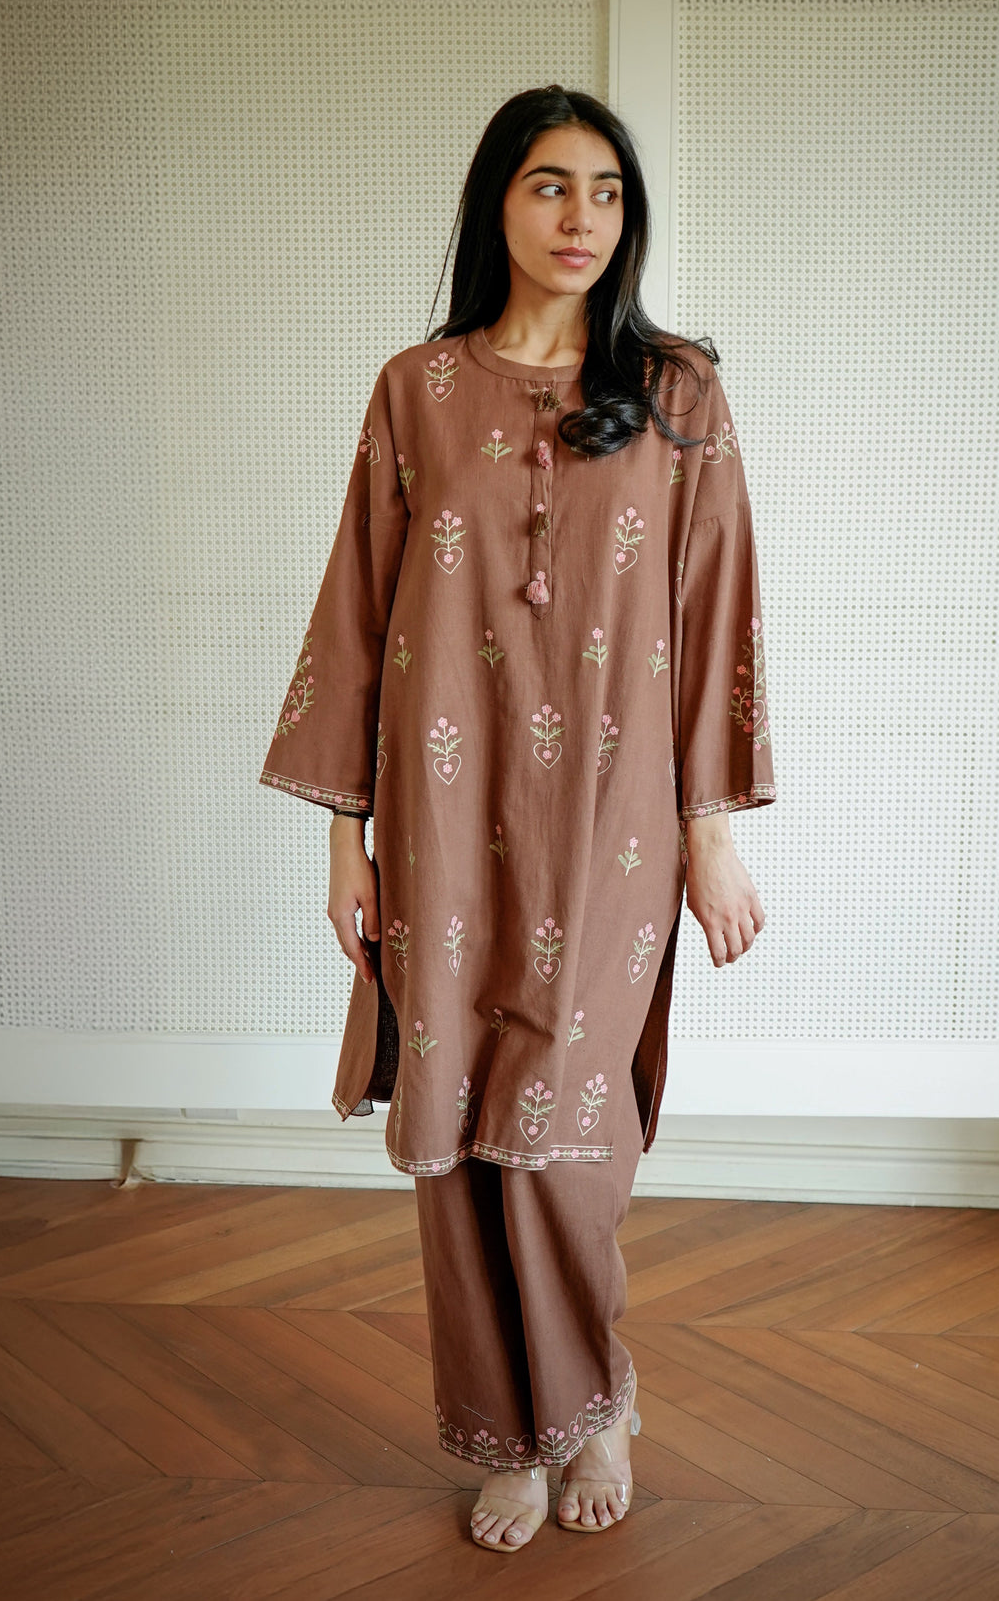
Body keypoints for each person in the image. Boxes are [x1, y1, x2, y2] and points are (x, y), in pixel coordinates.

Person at [259, 84, 775, 1551]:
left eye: (607, 193)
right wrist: (343, 832)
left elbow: (715, 611)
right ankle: (505, 1428)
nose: (581, 221)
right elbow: (358, 612)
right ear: (498, 202)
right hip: (438, 811)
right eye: (551, 188)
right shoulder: (418, 388)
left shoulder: (678, 393)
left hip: (611, 826)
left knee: (562, 1133)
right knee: (463, 1121)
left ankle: (593, 1395)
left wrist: (710, 829)